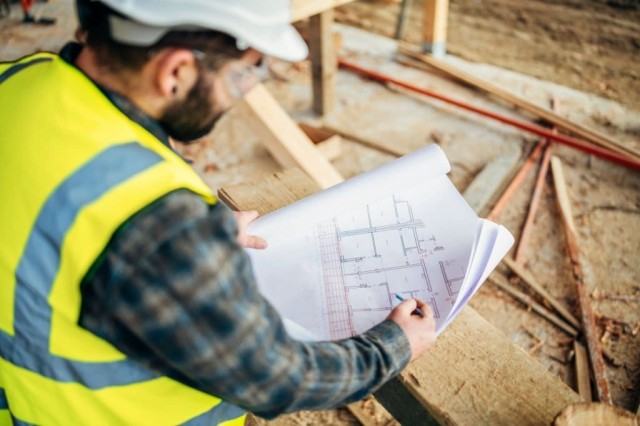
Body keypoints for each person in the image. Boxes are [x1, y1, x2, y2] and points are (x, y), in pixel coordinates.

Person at [0, 0, 437, 424]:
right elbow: (277, 376)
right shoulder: (155, 220)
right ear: (175, 71)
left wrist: (181, 248)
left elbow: (55, 223)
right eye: (243, 74)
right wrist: (393, 347)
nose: (239, 94)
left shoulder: (20, 79)